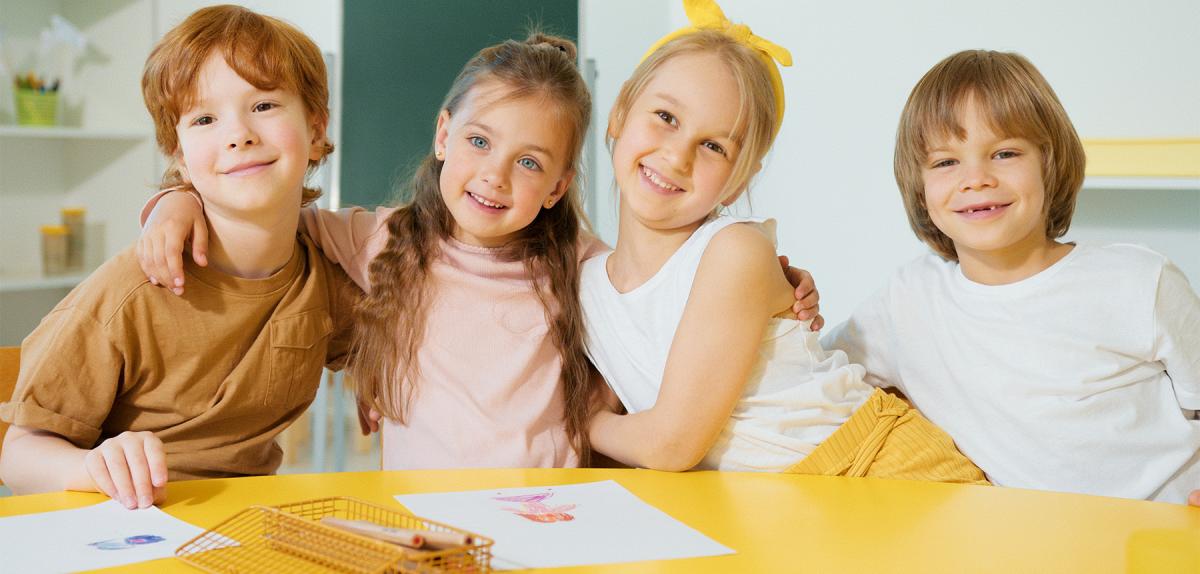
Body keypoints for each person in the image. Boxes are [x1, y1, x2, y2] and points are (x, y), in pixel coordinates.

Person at [137, 29, 824, 470]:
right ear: (443, 135)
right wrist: (177, 199)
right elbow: (264, 210)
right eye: (478, 142)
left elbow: (672, 306)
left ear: (558, 185)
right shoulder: (377, 239)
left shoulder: (587, 272)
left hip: (552, 522)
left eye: (530, 163)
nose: (495, 174)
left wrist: (778, 287)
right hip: (426, 531)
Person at [581, 0, 986, 484]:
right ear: (620, 111)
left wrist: (586, 423)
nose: (677, 154)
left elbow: (671, 444)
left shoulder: (734, 253)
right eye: (666, 117)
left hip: (876, 467)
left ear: (739, 179)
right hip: (780, 499)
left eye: (715, 146)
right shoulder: (586, 283)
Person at [0, 5, 357, 507]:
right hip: (127, 525)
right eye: (205, 118)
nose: (238, 134)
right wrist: (91, 465)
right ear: (179, 155)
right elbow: (18, 454)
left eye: (264, 106)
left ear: (317, 130)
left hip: (248, 522)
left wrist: (383, 379)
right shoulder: (130, 292)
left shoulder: (326, 276)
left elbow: (376, 344)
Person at [823, 49, 1200, 504]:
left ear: (1049, 163)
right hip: (1025, 546)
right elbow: (816, 377)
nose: (976, 178)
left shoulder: (1140, 281)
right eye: (946, 162)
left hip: (1160, 535)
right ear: (920, 191)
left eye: (1004, 153)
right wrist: (787, 297)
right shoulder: (907, 299)